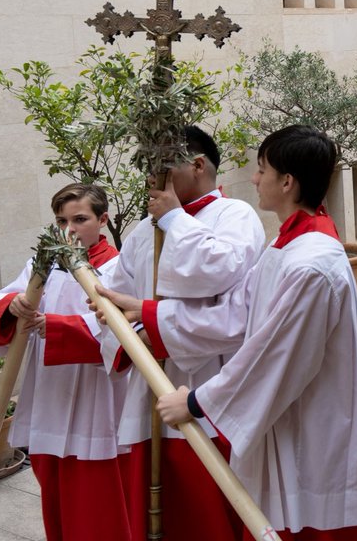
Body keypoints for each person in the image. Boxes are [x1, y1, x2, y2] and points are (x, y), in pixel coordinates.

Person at [149, 125, 357, 539]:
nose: (254, 179)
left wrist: (199, 401)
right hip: (302, 413)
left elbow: (275, 358)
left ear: (287, 182)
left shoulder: (311, 263)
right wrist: (149, 313)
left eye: (261, 169)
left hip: (323, 422)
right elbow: (240, 314)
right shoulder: (286, 246)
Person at [98, 125, 266, 541]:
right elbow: (118, 295)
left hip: (208, 385)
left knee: (206, 514)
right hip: (149, 388)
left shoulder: (236, 216)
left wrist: (174, 219)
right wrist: (123, 327)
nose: (151, 182)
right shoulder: (142, 230)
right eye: (148, 171)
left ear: (197, 164)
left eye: (161, 170)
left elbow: (219, 274)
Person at [0, 184, 131, 540]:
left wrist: (59, 327)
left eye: (80, 219)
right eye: (62, 220)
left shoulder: (120, 268)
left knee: (99, 501)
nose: (69, 230)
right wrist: (13, 305)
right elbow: (1, 303)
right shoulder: (43, 262)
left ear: (103, 220)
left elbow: (125, 332)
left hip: (98, 399)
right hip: (50, 395)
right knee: (53, 491)